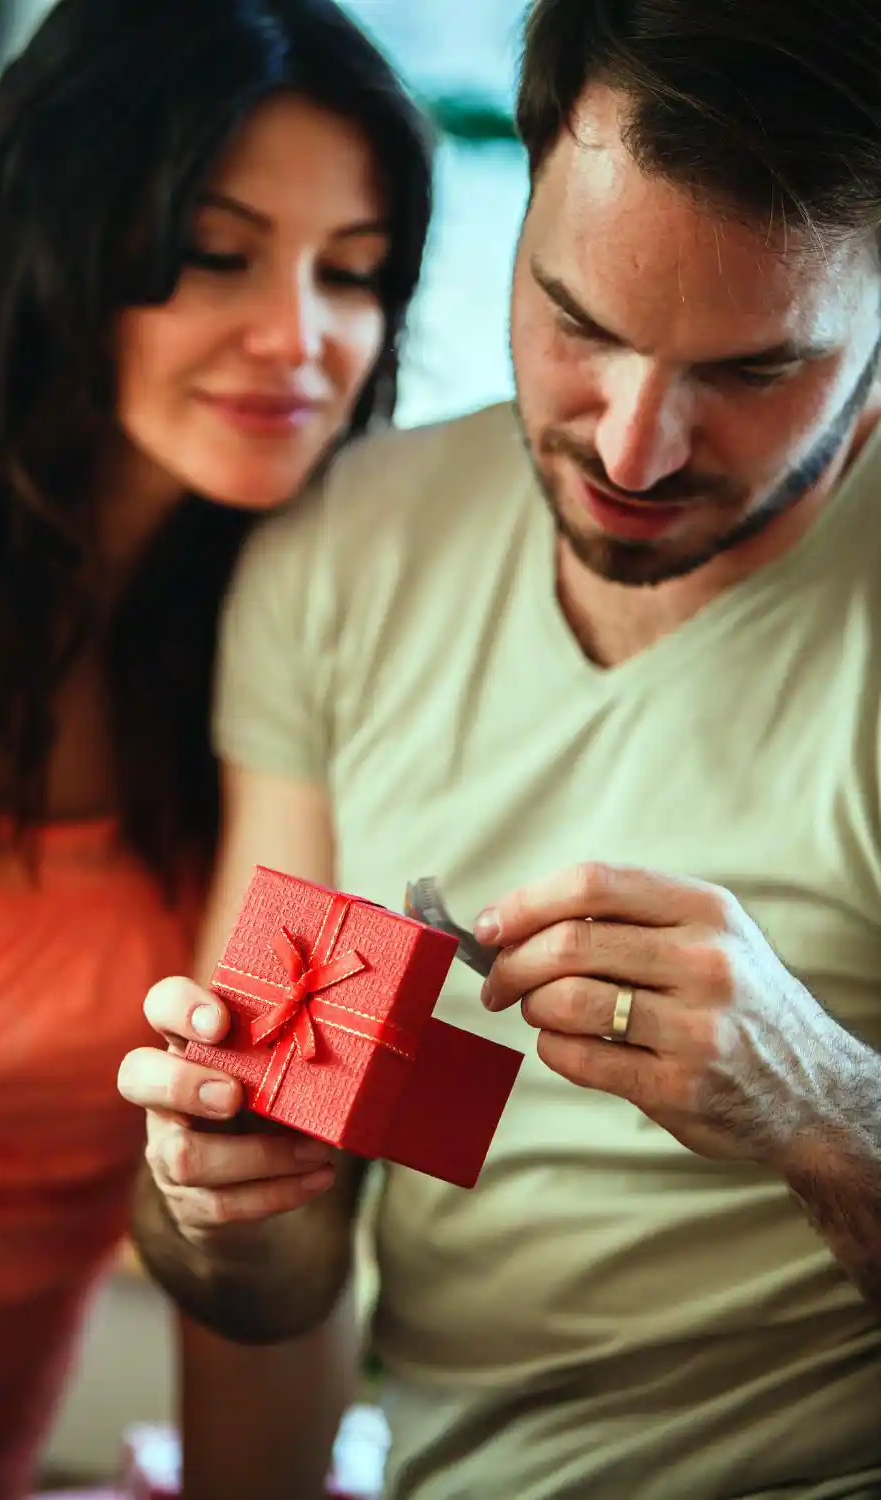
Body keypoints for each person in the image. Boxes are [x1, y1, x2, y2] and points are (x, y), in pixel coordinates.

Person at [120, 0, 881, 1496]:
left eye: (749, 369)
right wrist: (224, 1200)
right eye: (580, 325)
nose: (631, 450)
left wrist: (829, 1111)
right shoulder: (341, 543)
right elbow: (267, 1297)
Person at [0, 0, 431, 1494]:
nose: (304, 336)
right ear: (57, 233)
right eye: (217, 253)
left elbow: (268, 1175)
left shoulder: (299, 654)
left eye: (359, 274)